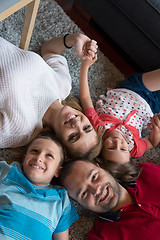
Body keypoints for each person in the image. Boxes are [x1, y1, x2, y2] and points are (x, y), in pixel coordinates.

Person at [0, 33, 101, 159]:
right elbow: (49, 50)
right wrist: (75, 39)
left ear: (58, 142)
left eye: (73, 136)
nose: (77, 124)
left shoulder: (22, 129)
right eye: (86, 127)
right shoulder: (63, 86)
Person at [78, 51, 160, 163]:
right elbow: (152, 142)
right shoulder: (134, 148)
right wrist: (156, 130)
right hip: (153, 107)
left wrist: (84, 66)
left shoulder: (98, 128)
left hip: (134, 88)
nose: (118, 142)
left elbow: (85, 98)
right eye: (123, 149)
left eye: (111, 147)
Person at [0, 130, 79, 240]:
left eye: (49, 155)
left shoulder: (60, 200)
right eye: (35, 151)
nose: (39, 158)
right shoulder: (6, 172)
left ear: (58, 171)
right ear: (24, 159)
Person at [59, 158, 160, 240]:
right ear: (80, 204)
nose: (96, 190)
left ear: (102, 168)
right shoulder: (101, 237)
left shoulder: (146, 171)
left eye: (94, 176)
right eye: (84, 193)